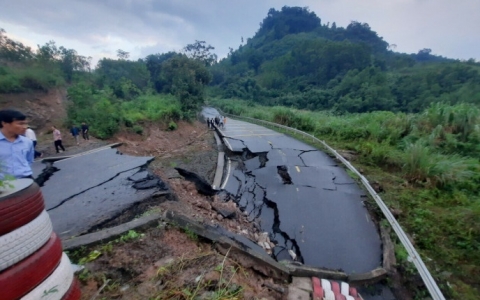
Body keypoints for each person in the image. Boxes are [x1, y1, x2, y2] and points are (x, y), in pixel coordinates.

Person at [0, 109, 34, 179]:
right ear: (4, 123)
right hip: (4, 184)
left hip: (27, 180)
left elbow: (29, 160)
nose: (25, 127)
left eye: (25, 124)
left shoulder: (27, 142)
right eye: (20, 124)